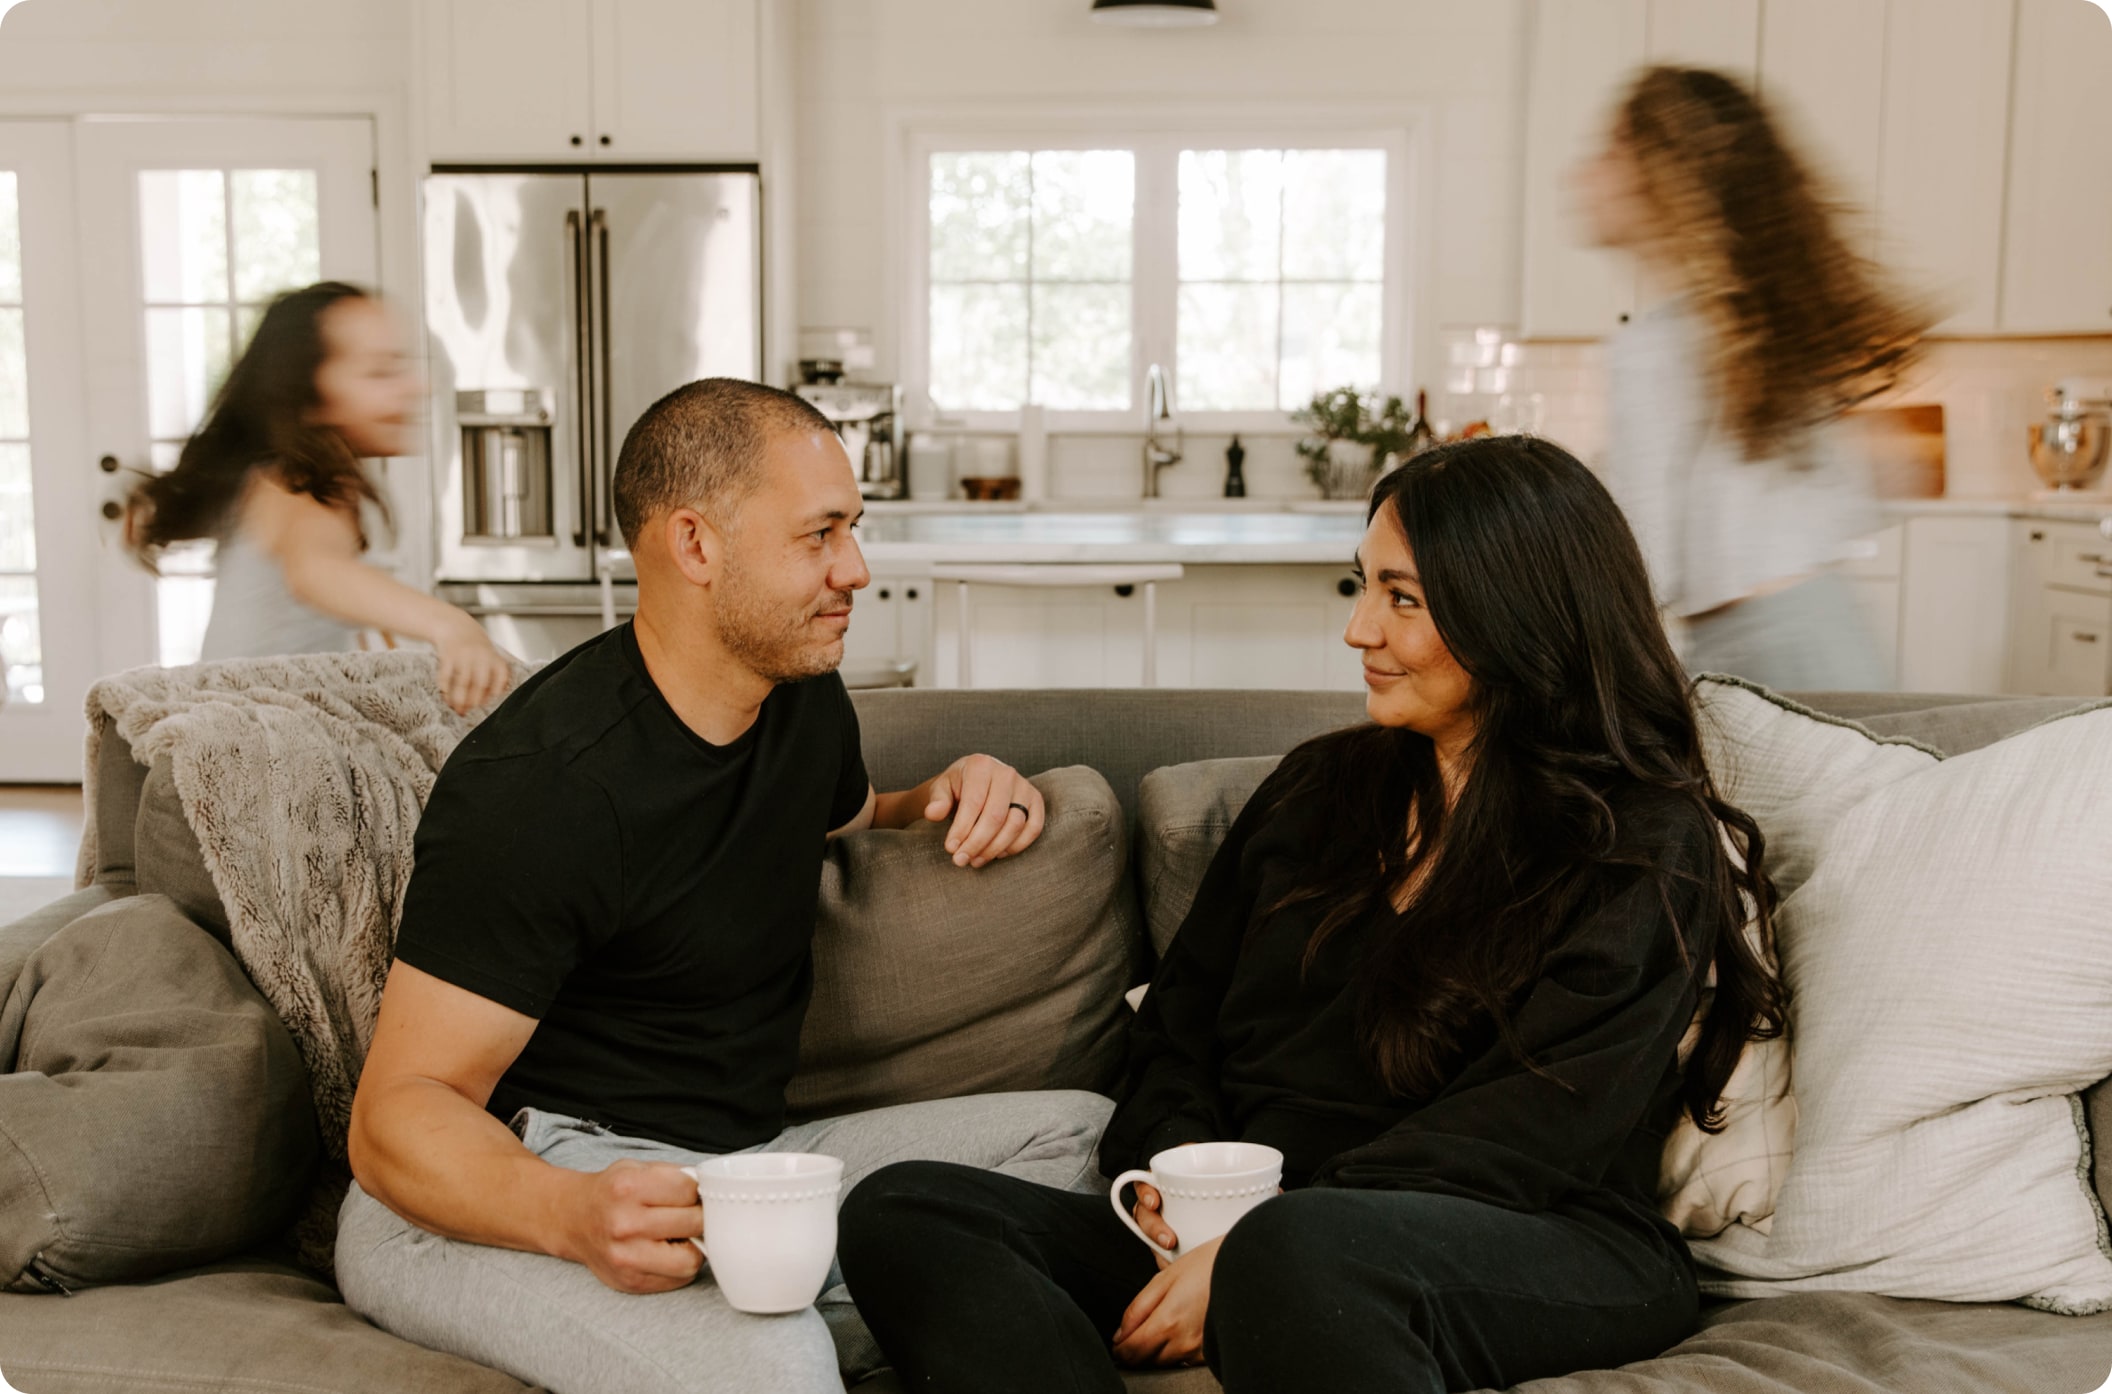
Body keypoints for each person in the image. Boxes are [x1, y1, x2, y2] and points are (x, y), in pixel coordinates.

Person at [836, 435, 1786, 1394]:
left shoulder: (1636, 841)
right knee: (906, 1208)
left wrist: (1258, 1239)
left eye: (1402, 598)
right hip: (1249, 1235)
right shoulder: (1315, 791)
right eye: (1361, 586)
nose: (1358, 630)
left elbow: (1531, 1134)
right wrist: (1174, 1182)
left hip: (1529, 1231)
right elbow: (1176, 1028)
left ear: (1516, 611)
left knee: (1300, 1258)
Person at [335, 377, 1112, 1394]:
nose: (858, 568)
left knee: (1083, 1138)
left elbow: (852, 815)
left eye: (854, 529)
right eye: (820, 534)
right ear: (696, 545)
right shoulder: (539, 790)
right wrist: (570, 1214)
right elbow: (396, 1115)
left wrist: (950, 790)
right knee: (777, 1363)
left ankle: (791, 1312)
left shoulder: (801, 696)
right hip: (500, 1193)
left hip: (744, 1164)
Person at [1577, 65, 1931, 691]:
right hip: (1825, 634)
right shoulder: (1756, 324)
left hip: (1762, 656)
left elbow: (1643, 563)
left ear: (1656, 173)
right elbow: (1860, 495)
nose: (1584, 171)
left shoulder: (1660, 344)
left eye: (1610, 149)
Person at [126, 281, 511, 715]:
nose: (416, 387)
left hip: (232, 721)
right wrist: (452, 626)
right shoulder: (303, 482)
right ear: (309, 398)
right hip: (249, 740)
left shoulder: (277, 473)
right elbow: (317, 570)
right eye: (380, 373)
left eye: (404, 366)